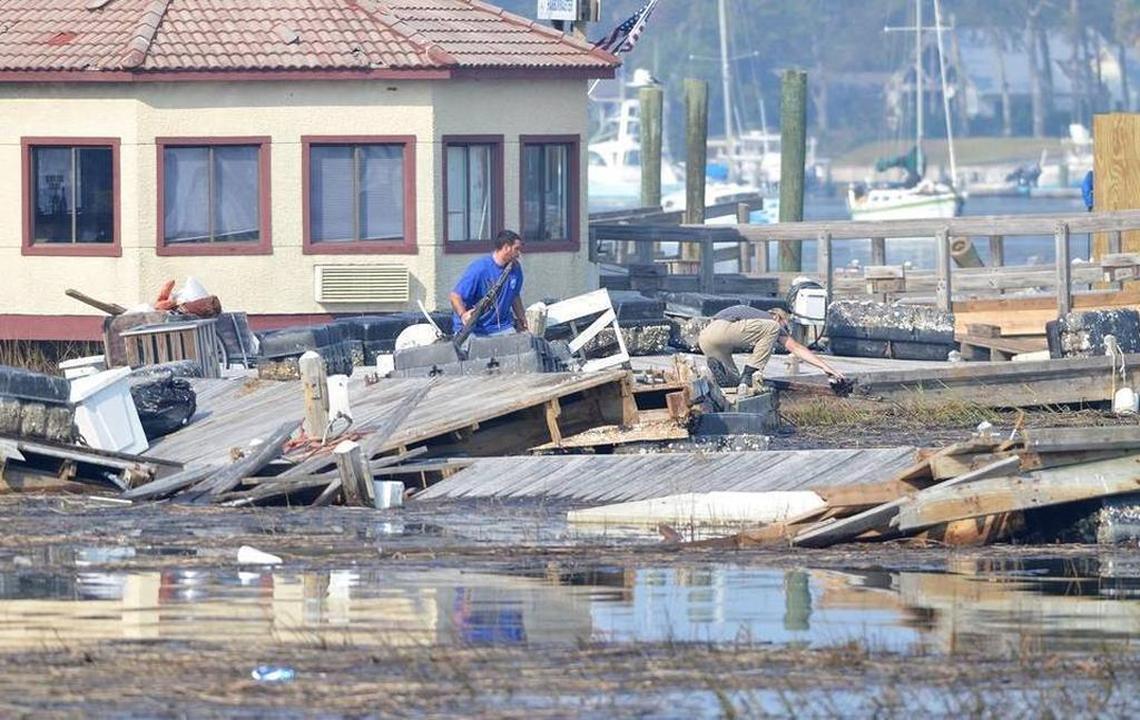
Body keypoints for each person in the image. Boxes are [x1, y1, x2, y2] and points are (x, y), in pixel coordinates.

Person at [698, 304, 845, 394]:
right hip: (723, 330)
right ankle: (750, 374)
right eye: (785, 325)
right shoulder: (769, 319)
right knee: (772, 328)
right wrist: (826, 368)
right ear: (777, 316)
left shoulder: (748, 314)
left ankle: (728, 376)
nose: (784, 331)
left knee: (733, 382)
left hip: (705, 337)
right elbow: (796, 348)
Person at [449, 229, 527, 337]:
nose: (519, 254)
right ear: (506, 248)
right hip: (475, 329)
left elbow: (514, 296)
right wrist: (463, 315)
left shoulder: (515, 269)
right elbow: (455, 296)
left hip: (502, 326)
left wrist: (522, 319)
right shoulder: (479, 269)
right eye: (516, 249)